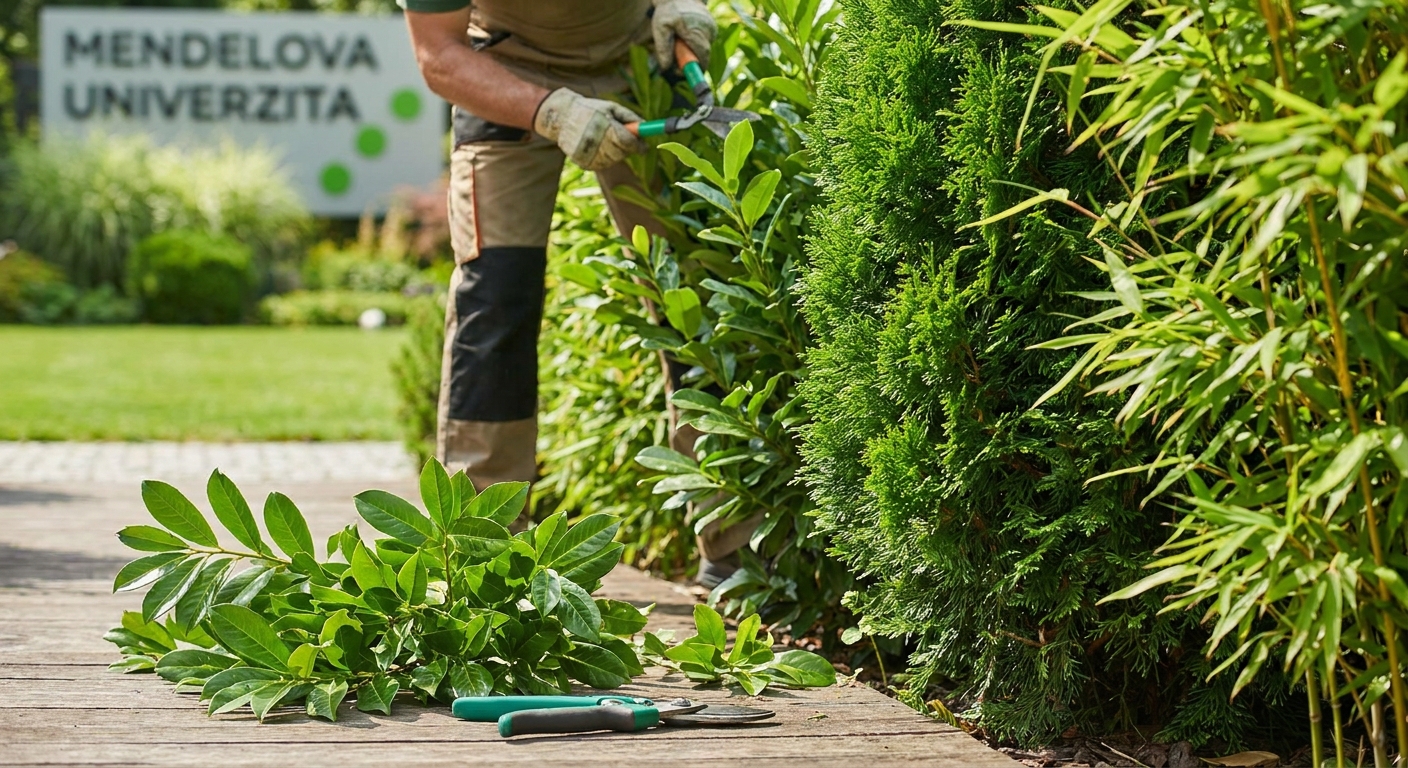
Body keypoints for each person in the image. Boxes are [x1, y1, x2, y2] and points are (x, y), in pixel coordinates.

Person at [401, 0, 751, 588]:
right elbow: (438, 55)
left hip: (635, 58)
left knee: (688, 296)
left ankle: (737, 555)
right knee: (498, 297)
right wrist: (552, 111)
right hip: (504, 70)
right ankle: (483, 560)